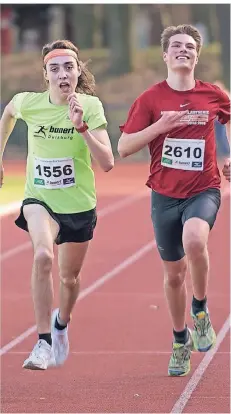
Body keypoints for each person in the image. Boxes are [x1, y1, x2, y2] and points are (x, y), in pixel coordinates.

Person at [118, 25, 230, 376]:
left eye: (190, 46)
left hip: (204, 189)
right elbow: (124, 148)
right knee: (173, 276)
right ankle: (180, 339)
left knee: (195, 238)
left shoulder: (213, 95)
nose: (183, 50)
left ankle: (200, 310)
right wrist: (161, 126)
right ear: (165, 55)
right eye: (176, 46)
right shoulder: (150, 99)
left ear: (197, 56)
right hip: (164, 197)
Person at [0, 39, 114, 370]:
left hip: (78, 204)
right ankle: (42, 342)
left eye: (69, 67)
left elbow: (106, 162)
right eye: (55, 68)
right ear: (46, 75)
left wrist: (81, 127)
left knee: (69, 279)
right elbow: (8, 112)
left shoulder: (90, 106)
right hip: (40, 199)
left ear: (78, 73)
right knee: (43, 255)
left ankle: (61, 323)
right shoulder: (29, 103)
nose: (62, 73)